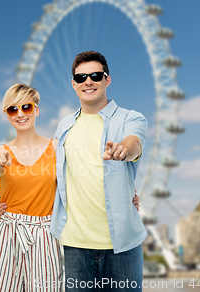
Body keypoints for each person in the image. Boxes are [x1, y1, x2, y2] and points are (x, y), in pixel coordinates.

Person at [49, 50, 148, 291]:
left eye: (95, 75)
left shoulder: (131, 118)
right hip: (75, 245)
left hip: (122, 244)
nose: (88, 81)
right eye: (81, 78)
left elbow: (134, 144)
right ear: (74, 84)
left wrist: (122, 150)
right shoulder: (64, 127)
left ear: (107, 79)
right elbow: (53, 176)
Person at [0, 84, 63, 291]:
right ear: (7, 115)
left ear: (36, 110)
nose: (20, 114)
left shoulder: (56, 147)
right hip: (7, 234)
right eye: (13, 109)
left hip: (45, 234)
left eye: (26, 107)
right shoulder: (0, 150)